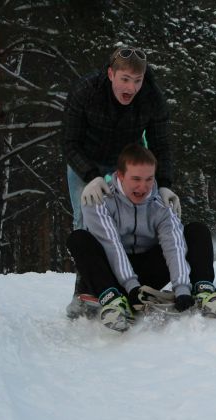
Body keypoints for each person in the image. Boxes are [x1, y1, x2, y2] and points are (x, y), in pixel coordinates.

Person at [63, 46, 180, 317]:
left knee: (135, 218)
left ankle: (128, 283)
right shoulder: (86, 91)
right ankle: (84, 292)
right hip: (85, 159)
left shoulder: (151, 96)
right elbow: (69, 143)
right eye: (125, 80)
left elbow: (160, 144)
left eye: (137, 81)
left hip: (126, 163)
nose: (131, 87)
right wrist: (91, 177)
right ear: (111, 74)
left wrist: (164, 183)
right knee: (86, 221)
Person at [66, 144, 216, 332]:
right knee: (78, 238)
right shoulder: (100, 200)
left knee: (196, 231)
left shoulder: (161, 202)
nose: (143, 186)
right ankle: (112, 300)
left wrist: (181, 289)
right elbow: (112, 246)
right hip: (111, 276)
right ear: (121, 175)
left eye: (149, 179)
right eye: (136, 179)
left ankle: (202, 289)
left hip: (147, 272)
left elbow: (173, 245)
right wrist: (131, 288)